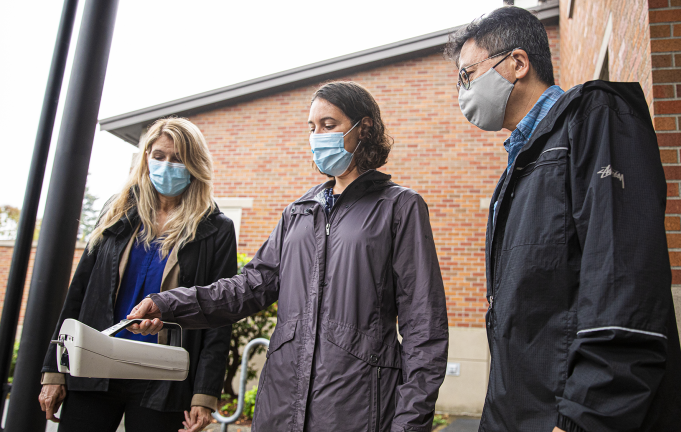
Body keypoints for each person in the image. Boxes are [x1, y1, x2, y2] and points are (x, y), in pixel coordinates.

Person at [128, 81, 449, 432]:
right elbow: (247, 288)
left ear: (364, 128)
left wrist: (410, 423)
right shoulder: (298, 212)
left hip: (357, 407)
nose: (317, 136)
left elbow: (424, 325)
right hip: (281, 402)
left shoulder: (399, 207)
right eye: (312, 128)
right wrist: (169, 305)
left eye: (329, 125)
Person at [444, 6, 681, 432]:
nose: (462, 90)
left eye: (468, 75)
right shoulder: (520, 167)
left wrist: (584, 418)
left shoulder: (595, 118)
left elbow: (623, 288)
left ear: (518, 63)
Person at [39, 118, 236, 432]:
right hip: (95, 362)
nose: (166, 165)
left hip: (164, 375)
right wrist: (54, 370)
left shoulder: (215, 228)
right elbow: (78, 293)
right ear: (146, 157)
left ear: (194, 164)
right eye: (159, 156)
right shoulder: (116, 211)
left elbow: (218, 313)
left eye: (177, 158)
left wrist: (205, 393)